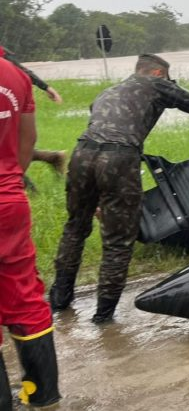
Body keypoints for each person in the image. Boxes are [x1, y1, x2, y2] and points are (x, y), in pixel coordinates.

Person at [50, 54, 189, 323]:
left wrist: (97, 191)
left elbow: (100, 120)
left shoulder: (108, 91)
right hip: (120, 158)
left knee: (75, 228)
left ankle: (59, 301)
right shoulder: (155, 83)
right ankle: (103, 317)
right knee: (118, 242)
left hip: (82, 154)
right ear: (158, 73)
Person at [0, 54, 61, 407]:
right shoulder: (15, 75)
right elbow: (28, 138)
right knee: (23, 296)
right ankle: (43, 396)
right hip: (10, 201)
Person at [0, 45, 66, 177]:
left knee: (13, 145)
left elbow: (20, 71)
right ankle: (51, 157)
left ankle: (22, 183)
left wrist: (46, 87)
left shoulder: (3, 55)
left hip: (9, 103)